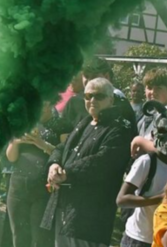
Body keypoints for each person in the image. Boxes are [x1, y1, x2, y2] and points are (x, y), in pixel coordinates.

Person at [42, 77, 133, 247]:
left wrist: (66, 173)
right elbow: (63, 147)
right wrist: (54, 164)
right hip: (66, 206)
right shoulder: (85, 122)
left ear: (110, 100)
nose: (92, 100)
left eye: (98, 96)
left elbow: (102, 162)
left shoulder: (118, 129)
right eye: (88, 96)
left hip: (91, 215)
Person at [116, 101, 167, 247]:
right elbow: (122, 199)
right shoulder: (147, 162)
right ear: (155, 133)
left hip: (159, 237)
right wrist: (158, 199)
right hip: (138, 237)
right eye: (164, 132)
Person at [6, 101, 72, 247]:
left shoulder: (62, 125)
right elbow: (11, 158)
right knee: (19, 235)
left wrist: (41, 143)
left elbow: (66, 157)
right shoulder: (24, 124)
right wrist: (15, 142)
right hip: (17, 187)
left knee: (40, 238)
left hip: (44, 190)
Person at [132, 68, 167, 158]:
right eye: (149, 88)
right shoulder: (152, 112)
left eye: (158, 89)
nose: (152, 92)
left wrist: (140, 141)